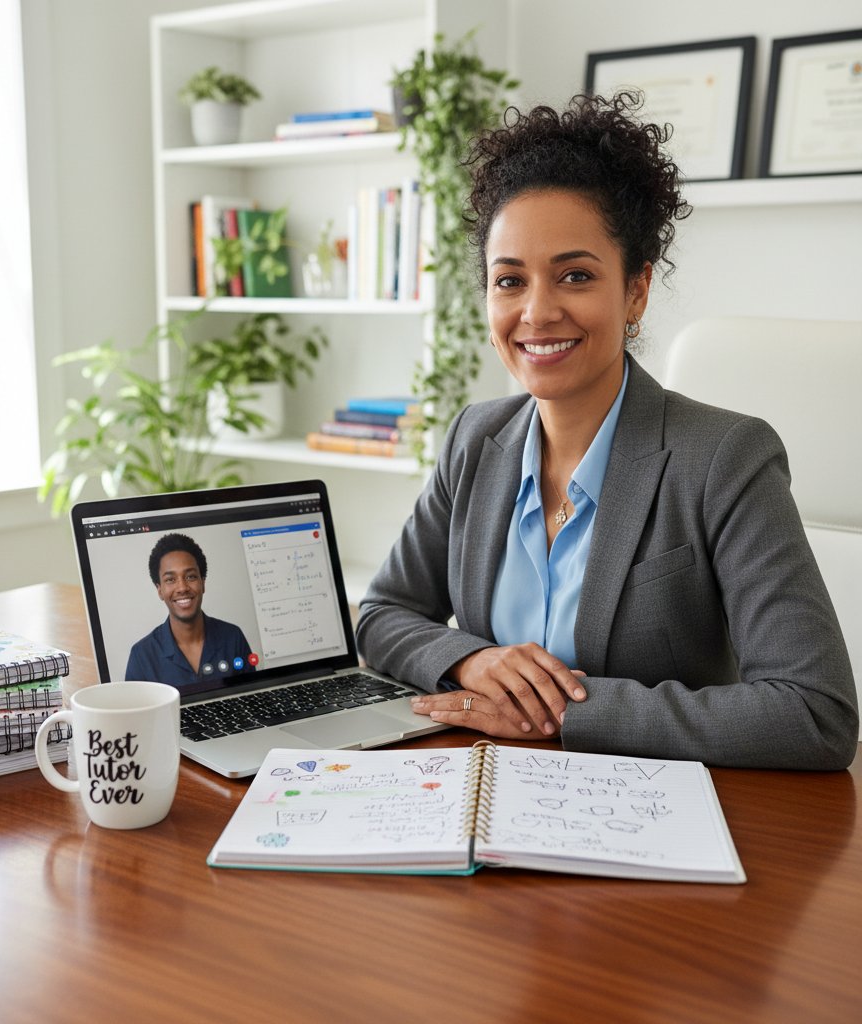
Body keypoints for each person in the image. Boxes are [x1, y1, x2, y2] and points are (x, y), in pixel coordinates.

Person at [356, 92, 858, 770]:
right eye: (510, 280)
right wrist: (472, 659)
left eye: (575, 275)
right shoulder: (476, 438)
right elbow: (382, 613)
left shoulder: (724, 460)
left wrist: (564, 709)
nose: (537, 312)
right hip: (485, 794)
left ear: (635, 291)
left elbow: (814, 712)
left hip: (652, 819)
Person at [126, 532, 252, 690]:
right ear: (159, 590)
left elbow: (251, 696)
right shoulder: (142, 655)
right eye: (170, 579)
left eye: (191, 577)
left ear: (202, 583)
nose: (182, 588)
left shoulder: (233, 637)